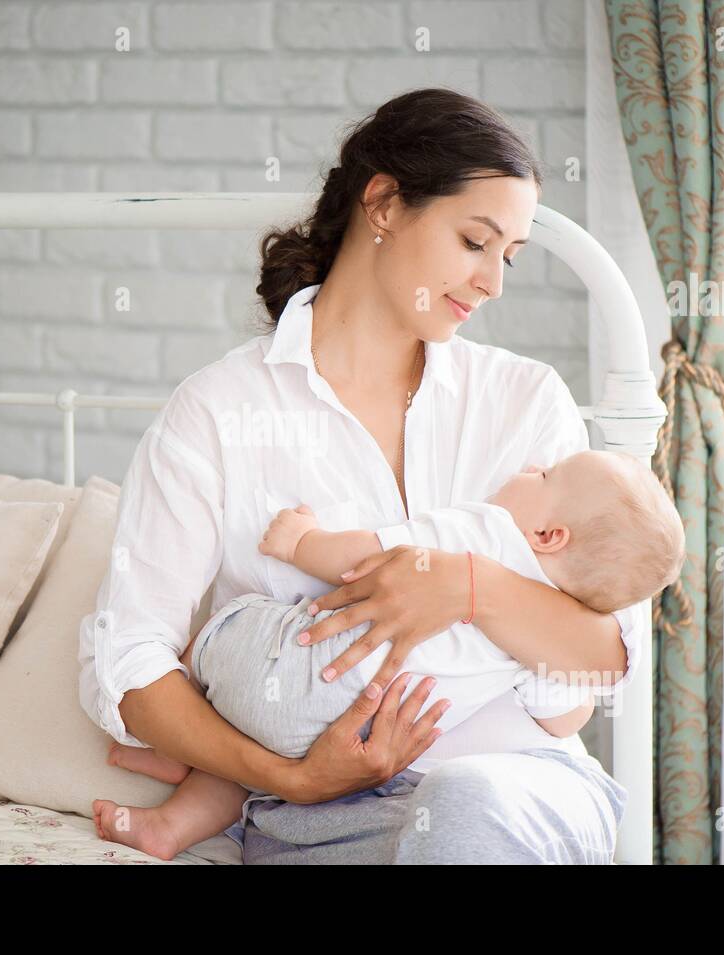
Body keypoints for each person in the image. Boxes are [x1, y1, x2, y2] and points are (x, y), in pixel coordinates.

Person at [77, 87, 643, 864]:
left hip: (518, 785)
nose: (493, 283)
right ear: (383, 203)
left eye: (508, 255)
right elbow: (129, 658)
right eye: (475, 241)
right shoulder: (217, 412)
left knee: (462, 809)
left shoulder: (525, 403)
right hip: (324, 808)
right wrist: (291, 776)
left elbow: (599, 664)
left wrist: (466, 586)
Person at [90, 449, 685, 860]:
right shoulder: (555, 611)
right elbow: (564, 714)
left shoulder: (490, 531)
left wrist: (303, 542)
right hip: (350, 740)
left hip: (309, 685)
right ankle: (184, 797)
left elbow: (370, 557)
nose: (532, 467)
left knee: (228, 630)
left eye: (546, 473)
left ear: (550, 535)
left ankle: (184, 769)